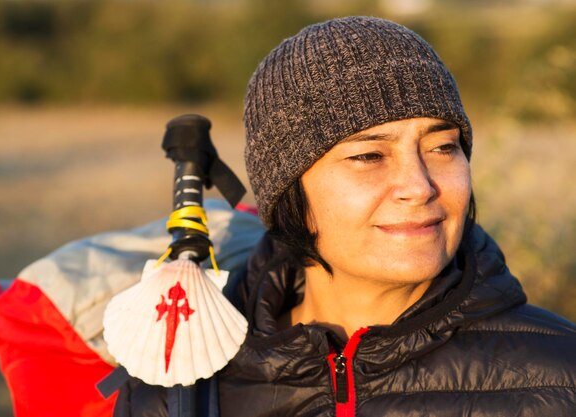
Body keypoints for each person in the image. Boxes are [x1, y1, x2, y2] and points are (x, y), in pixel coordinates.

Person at [113, 16, 576, 416]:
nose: (419, 186)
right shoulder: (180, 384)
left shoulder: (561, 378)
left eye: (442, 147)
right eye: (369, 156)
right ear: (286, 190)